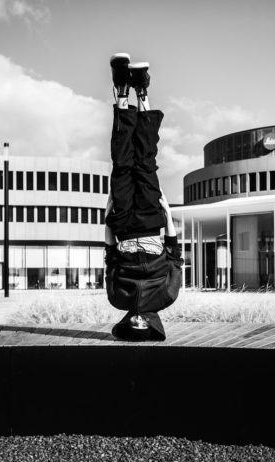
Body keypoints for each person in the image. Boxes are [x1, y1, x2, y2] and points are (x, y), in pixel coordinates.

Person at [104, 53, 184, 341]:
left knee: (123, 164)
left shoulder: (117, 299)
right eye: (144, 326)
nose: (138, 321)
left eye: (133, 325)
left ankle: (122, 91)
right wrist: (167, 213)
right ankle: (142, 90)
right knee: (146, 162)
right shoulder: (166, 297)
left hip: (124, 224)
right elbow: (175, 257)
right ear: (152, 326)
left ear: (127, 324)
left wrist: (107, 218)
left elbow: (111, 258)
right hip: (151, 221)